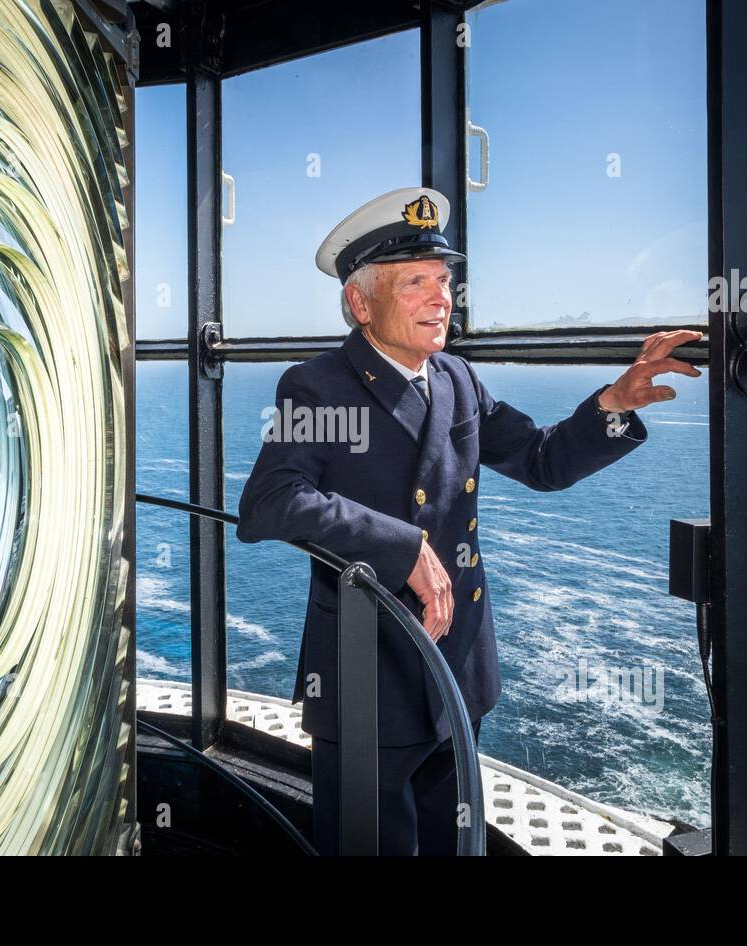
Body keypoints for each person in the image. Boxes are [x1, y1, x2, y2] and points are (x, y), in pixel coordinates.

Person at [235, 186, 703, 855]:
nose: (440, 298)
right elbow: (270, 502)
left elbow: (541, 460)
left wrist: (615, 403)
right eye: (416, 282)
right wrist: (404, 549)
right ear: (359, 303)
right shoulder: (318, 386)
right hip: (370, 676)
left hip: (458, 668)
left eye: (445, 281)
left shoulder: (457, 379)